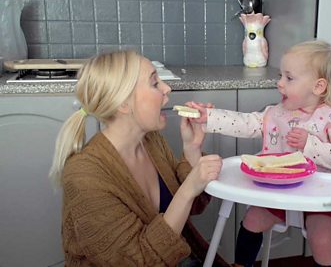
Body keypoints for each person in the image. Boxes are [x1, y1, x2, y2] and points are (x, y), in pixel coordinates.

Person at [48, 50, 229, 267]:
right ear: (123, 104)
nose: (167, 88)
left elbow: (191, 206)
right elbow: (139, 261)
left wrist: (192, 148)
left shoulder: (151, 142)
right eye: (155, 83)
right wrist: (188, 189)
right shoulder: (84, 175)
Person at [189, 40, 331, 267]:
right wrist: (209, 118)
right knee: (252, 219)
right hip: (280, 188)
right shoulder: (276, 113)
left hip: (322, 195)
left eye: (289, 78)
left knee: (323, 241)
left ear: (318, 87)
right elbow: (246, 123)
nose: (279, 84)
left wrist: (310, 144)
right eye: (281, 76)